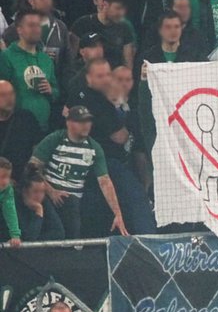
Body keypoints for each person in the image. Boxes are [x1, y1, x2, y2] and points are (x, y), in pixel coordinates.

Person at [70, 59, 155, 236]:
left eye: (108, 75)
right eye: (100, 76)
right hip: (104, 161)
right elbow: (120, 137)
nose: (106, 79)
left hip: (116, 160)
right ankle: (150, 242)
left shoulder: (110, 99)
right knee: (136, 198)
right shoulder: (92, 99)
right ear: (88, 78)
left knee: (101, 206)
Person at [29, 105, 128, 238]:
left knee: (75, 230)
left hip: (72, 202)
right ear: (69, 123)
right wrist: (51, 191)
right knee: (56, 232)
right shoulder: (55, 139)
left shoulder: (94, 148)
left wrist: (118, 214)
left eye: (88, 121)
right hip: (47, 196)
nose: (85, 125)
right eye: (81, 121)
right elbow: (32, 168)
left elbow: (105, 181)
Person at [139, 12, 208, 153]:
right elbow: (142, 98)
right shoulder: (148, 58)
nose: (173, 31)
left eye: (176, 27)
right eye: (168, 27)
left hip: (188, 121)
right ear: (160, 30)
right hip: (158, 123)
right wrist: (144, 80)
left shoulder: (194, 56)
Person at [0, 10, 59, 132]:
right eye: (31, 25)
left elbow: (56, 91)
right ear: (19, 29)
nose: (36, 29)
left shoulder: (46, 59)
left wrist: (50, 90)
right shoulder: (6, 57)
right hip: (14, 129)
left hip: (43, 128)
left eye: (38, 25)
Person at [3, 0, 72, 82]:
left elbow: (67, 63)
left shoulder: (60, 27)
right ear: (31, 1)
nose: (47, 1)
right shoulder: (14, 30)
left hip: (55, 88)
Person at [71, 0, 134, 69]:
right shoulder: (82, 24)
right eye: (118, 8)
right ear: (105, 4)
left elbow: (128, 65)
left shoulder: (125, 28)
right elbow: (70, 61)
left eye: (124, 9)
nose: (122, 13)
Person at [0, 81, 42, 182]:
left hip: (23, 181)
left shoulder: (27, 118)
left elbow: (38, 149)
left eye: (11, 93)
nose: (9, 98)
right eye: (3, 95)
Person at [15, 169, 64, 241]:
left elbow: (59, 233)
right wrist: (38, 211)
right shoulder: (14, 204)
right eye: (35, 191)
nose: (39, 196)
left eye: (42, 191)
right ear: (24, 191)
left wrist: (39, 209)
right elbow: (29, 236)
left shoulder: (44, 202)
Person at [65, 32, 105, 97]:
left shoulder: (107, 68)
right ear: (82, 52)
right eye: (93, 46)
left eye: (101, 46)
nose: (99, 50)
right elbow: (72, 91)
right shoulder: (71, 69)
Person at [0, 158, 21, 247]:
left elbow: (10, 211)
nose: (6, 182)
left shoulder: (8, 189)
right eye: (2, 177)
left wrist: (15, 235)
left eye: (8, 177)